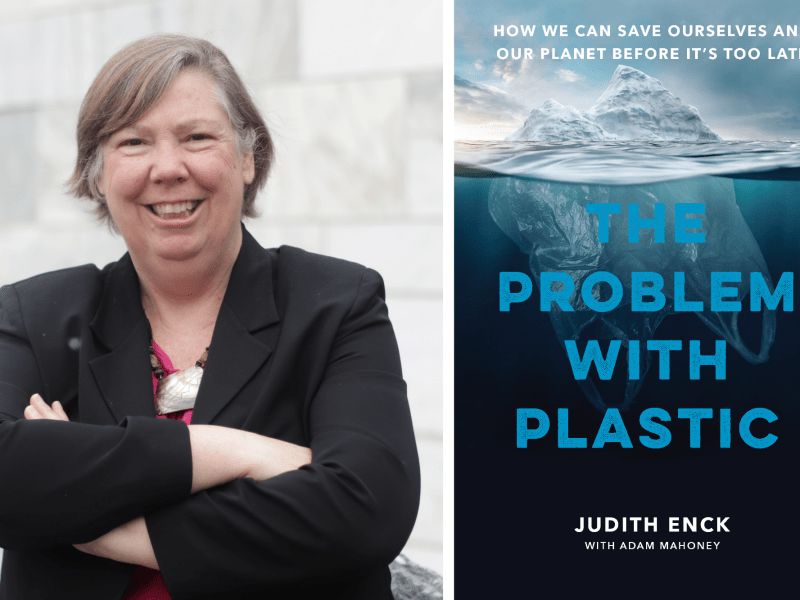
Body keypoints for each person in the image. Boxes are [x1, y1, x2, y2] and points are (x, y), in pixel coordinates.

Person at [0, 34, 420, 600]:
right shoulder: (36, 314)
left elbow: (369, 508)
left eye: (197, 137)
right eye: (133, 142)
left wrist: (103, 524)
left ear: (249, 157)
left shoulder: (336, 302)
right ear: (97, 173)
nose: (168, 168)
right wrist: (233, 453)